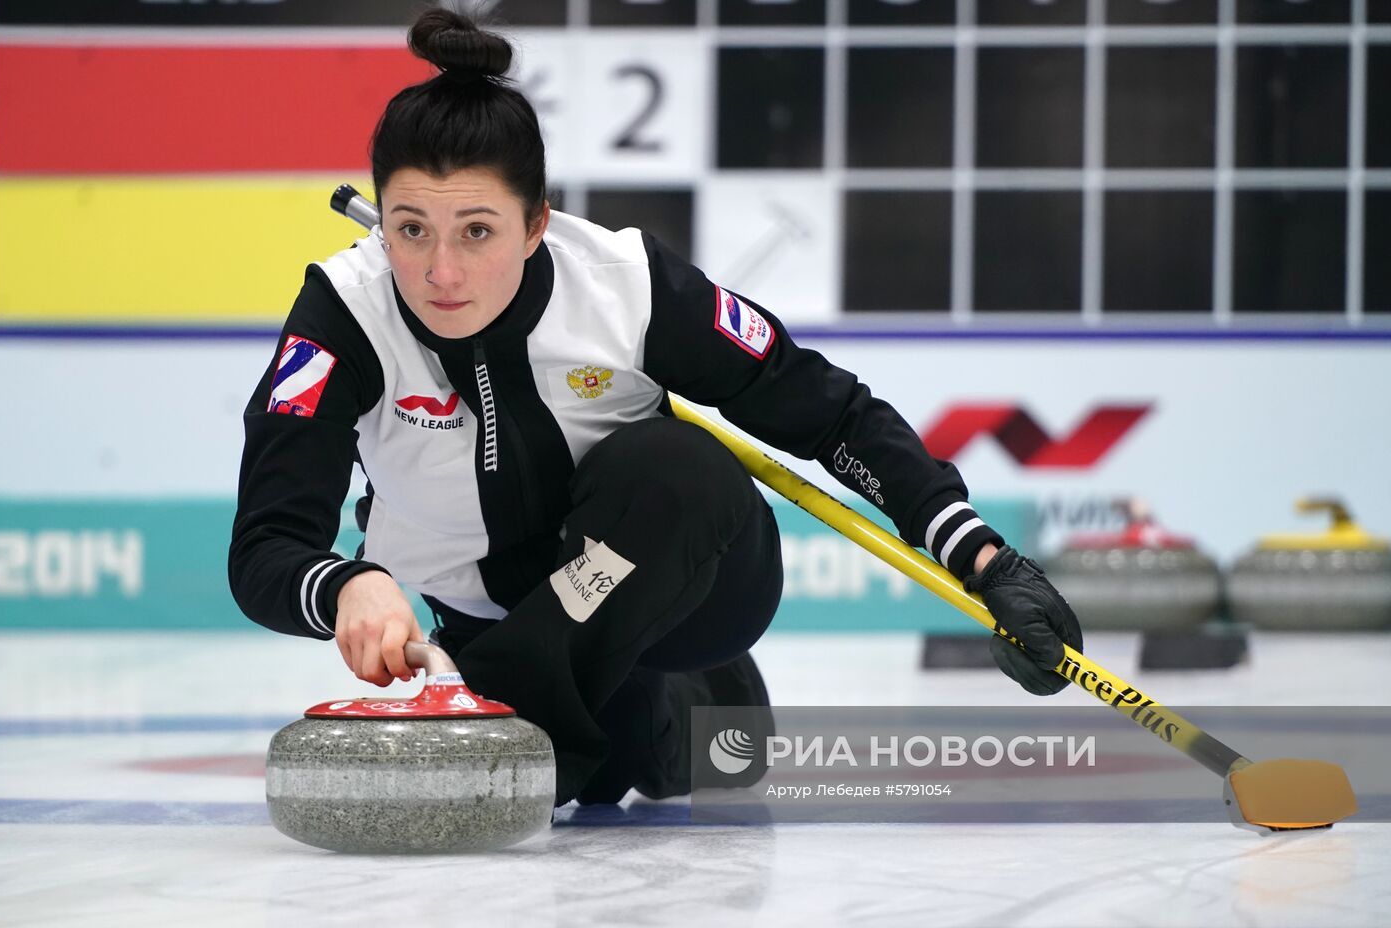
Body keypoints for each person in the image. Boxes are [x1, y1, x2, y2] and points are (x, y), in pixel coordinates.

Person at [229, 9, 1083, 808]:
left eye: (478, 232)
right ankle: (644, 720)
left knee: (676, 464)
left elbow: (832, 414)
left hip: (684, 586)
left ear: (537, 226)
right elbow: (268, 545)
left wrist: (980, 558)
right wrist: (344, 583)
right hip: (500, 617)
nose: (442, 273)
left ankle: (531, 721)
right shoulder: (345, 317)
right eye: (411, 230)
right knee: (626, 760)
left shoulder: (624, 286)